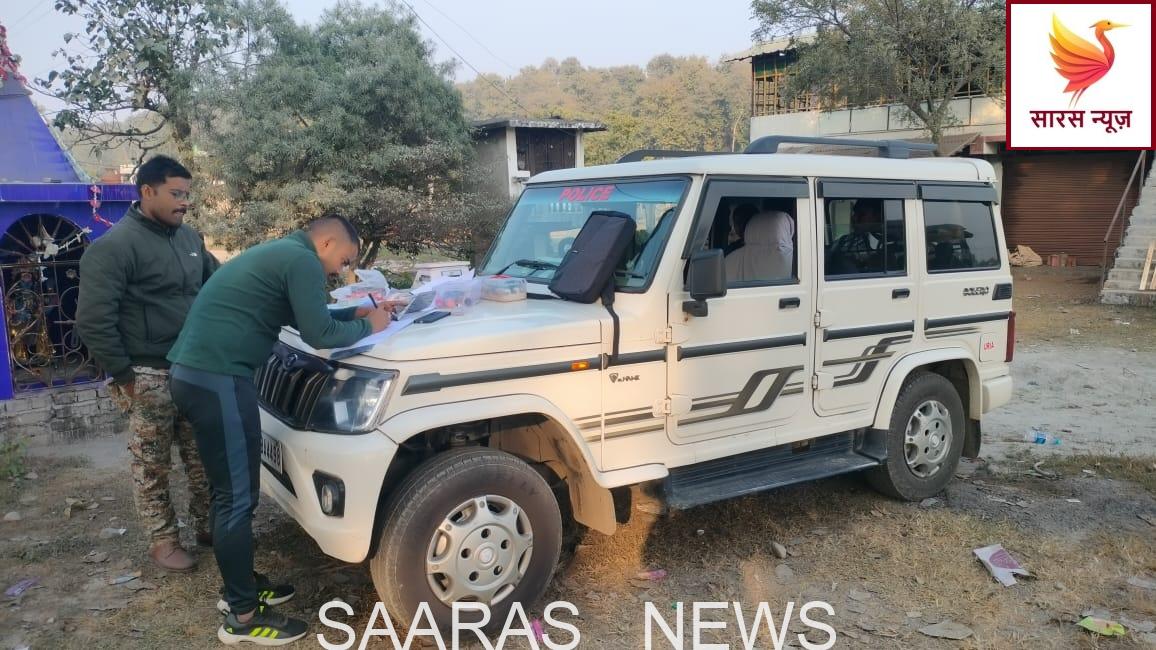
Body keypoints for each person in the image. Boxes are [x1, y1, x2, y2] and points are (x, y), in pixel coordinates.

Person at [168, 214, 393, 645]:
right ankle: (243, 617)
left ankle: (239, 587)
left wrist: (358, 311)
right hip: (218, 378)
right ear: (326, 244)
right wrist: (370, 326)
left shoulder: (284, 253)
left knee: (226, 493)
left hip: (198, 375)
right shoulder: (302, 261)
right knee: (236, 498)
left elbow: (306, 317)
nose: (341, 270)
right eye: (344, 260)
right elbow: (319, 333)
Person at [76, 155, 217, 572]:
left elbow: (217, 286)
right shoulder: (114, 247)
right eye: (176, 193)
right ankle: (163, 541)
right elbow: (93, 320)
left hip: (194, 367)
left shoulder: (190, 239)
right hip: (148, 373)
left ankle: (209, 526)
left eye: (187, 194)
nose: (184, 202)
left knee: (203, 456)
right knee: (152, 464)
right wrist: (124, 375)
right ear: (147, 191)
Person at [724, 210, 795, 283]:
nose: (741, 226)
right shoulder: (795, 260)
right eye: (737, 223)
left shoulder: (730, 260)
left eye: (745, 221)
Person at [827, 198, 884, 274]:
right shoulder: (843, 240)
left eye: (861, 214)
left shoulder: (887, 242)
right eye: (854, 214)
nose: (854, 218)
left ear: (877, 216)